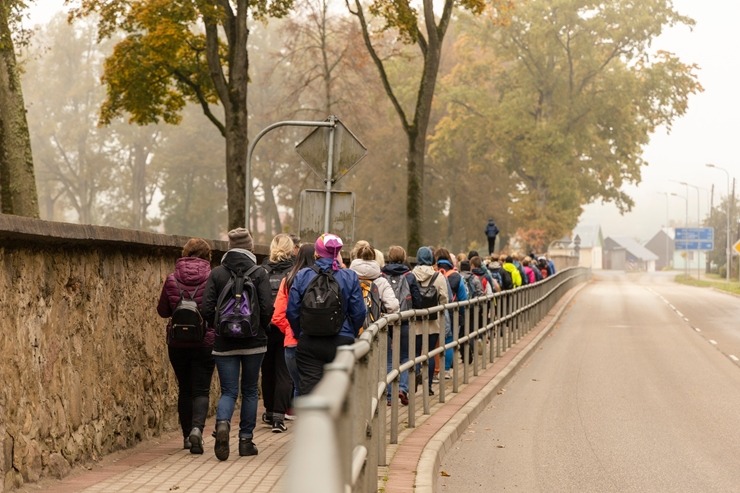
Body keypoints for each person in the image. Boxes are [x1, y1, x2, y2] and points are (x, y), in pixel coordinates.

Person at [201, 228, 273, 460]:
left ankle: (222, 425)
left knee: (229, 391)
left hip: (224, 343)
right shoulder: (259, 272)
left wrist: (220, 328)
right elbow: (266, 308)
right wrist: (261, 329)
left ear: (229, 247)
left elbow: (206, 308)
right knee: (250, 390)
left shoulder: (217, 273)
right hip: (255, 341)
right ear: (251, 247)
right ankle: (245, 441)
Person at [286, 233, 366, 395]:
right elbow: (359, 312)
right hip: (342, 341)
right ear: (337, 253)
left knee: (309, 393)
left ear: (317, 252)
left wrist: (301, 332)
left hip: (310, 342)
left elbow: (292, 310)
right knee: (341, 392)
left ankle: (311, 419)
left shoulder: (303, 275)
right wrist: (350, 331)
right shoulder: (349, 276)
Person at [156, 238, 215, 455]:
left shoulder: (172, 279)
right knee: (201, 389)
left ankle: (186, 436)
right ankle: (197, 430)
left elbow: (163, 311)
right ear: (208, 256)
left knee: (185, 388)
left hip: (178, 343)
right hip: (204, 341)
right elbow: (214, 311)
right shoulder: (212, 278)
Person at [272, 243, 315, 408]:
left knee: (298, 386)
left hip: (292, 342)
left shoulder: (288, 279)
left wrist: (290, 329)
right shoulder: (322, 278)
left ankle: (301, 428)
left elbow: (277, 315)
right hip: (316, 340)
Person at [260, 234, 295, 433]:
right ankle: (280, 415)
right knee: (284, 371)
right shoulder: (294, 272)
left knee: (267, 370)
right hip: (286, 326)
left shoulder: (262, 271)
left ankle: (269, 410)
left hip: (266, 326)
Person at [381, 245, 422, 406]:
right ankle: (403, 388)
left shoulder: (382, 274)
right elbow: (417, 299)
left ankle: (390, 395)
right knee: (405, 356)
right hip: (405, 320)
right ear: (404, 257)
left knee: (389, 358)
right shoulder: (409, 276)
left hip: (386, 320)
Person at [411, 246, 449, 395]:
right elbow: (444, 298)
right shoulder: (438, 277)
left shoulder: (411, 276)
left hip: (415, 321)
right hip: (433, 322)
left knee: (415, 354)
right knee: (430, 353)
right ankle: (428, 386)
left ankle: (413, 382)